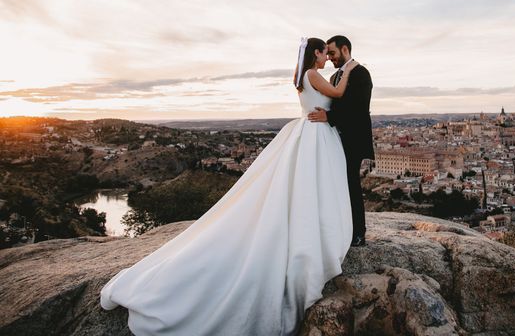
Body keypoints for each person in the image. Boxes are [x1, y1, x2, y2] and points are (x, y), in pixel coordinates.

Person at [99, 37, 357, 336]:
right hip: (315, 133)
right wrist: (350, 67)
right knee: (310, 187)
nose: (328, 57)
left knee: (300, 188)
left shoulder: (300, 76)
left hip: (309, 131)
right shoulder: (313, 74)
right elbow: (337, 92)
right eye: (326, 53)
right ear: (316, 53)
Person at [308, 36, 374, 247]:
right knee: (338, 184)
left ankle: (358, 233)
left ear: (345, 49)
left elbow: (358, 108)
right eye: (327, 54)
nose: (329, 58)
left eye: (333, 53)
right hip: (337, 138)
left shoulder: (361, 73)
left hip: (353, 139)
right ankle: (341, 229)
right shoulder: (338, 75)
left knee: (351, 184)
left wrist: (330, 117)